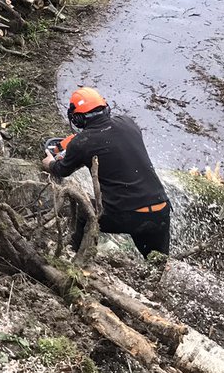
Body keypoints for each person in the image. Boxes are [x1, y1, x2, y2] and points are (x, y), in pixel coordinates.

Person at [41, 87, 171, 258]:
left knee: (85, 213)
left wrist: (50, 163)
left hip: (125, 215)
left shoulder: (82, 143)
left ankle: (75, 255)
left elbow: (62, 170)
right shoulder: (128, 123)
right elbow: (112, 144)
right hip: (160, 210)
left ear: (77, 118)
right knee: (158, 262)